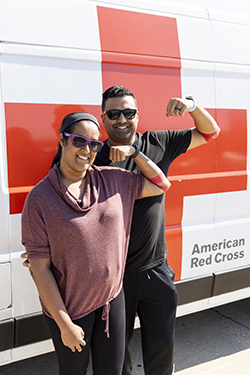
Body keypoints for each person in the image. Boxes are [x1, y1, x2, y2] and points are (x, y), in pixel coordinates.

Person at [22, 87, 220, 375]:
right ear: (104, 118)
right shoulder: (92, 158)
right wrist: (46, 254)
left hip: (154, 268)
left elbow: (211, 134)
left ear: (138, 115)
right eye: (114, 114)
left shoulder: (156, 142)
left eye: (128, 113)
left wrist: (190, 105)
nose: (122, 119)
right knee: (116, 358)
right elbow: (57, 205)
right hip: (113, 280)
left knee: (161, 348)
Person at [21, 112, 171, 375]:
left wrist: (135, 152)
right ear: (62, 140)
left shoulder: (113, 180)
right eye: (79, 141)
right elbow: (40, 268)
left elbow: (161, 183)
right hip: (70, 307)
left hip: (112, 301)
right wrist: (64, 324)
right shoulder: (40, 198)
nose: (87, 150)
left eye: (94, 144)